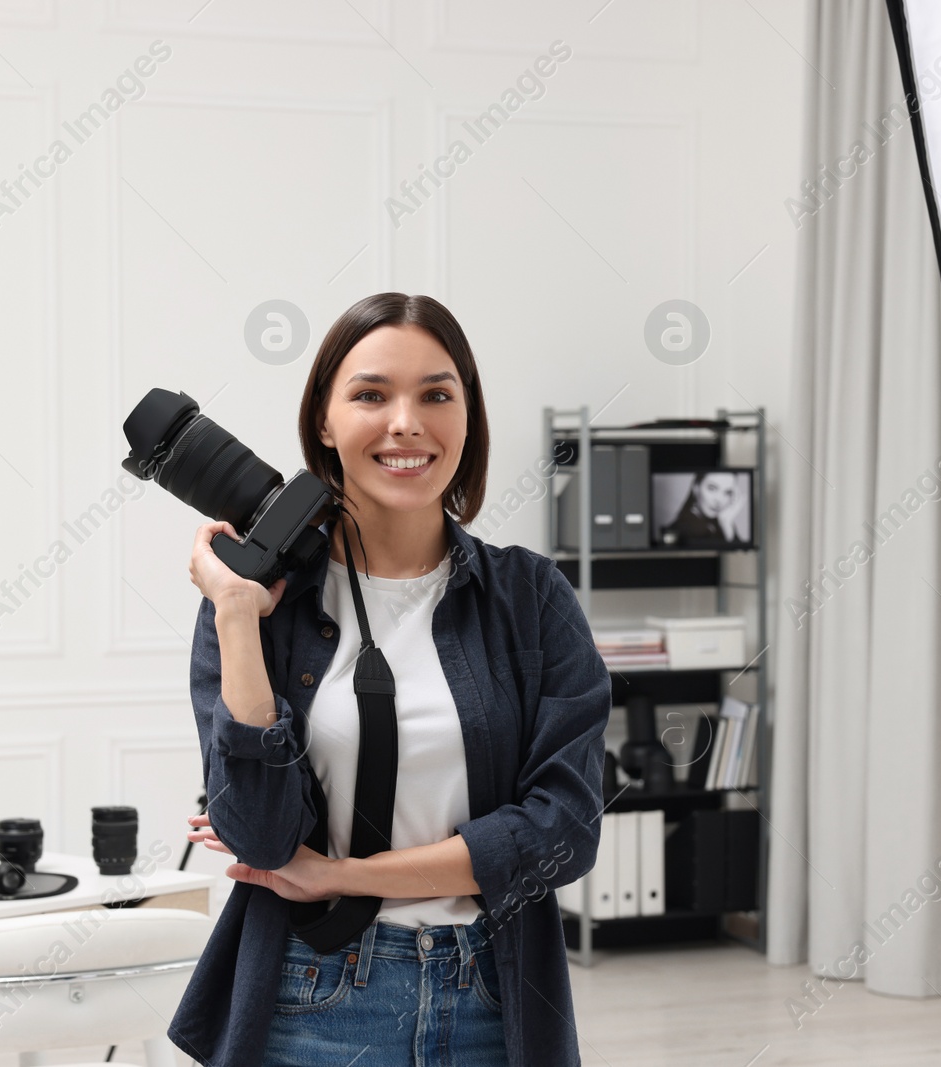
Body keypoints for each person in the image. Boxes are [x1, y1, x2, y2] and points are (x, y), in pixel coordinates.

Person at [166, 293, 612, 1067]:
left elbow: (564, 830)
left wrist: (342, 874)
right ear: (325, 425)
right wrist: (238, 615)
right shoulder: (257, 610)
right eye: (371, 394)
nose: (406, 421)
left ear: (467, 419)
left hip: (495, 997)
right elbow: (264, 836)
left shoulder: (531, 600)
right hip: (313, 996)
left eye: (436, 394)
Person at [659, 471, 748, 545]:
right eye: (712, 488)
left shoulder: (721, 522)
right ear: (696, 487)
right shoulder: (683, 529)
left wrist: (727, 524)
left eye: (727, 492)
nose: (719, 500)